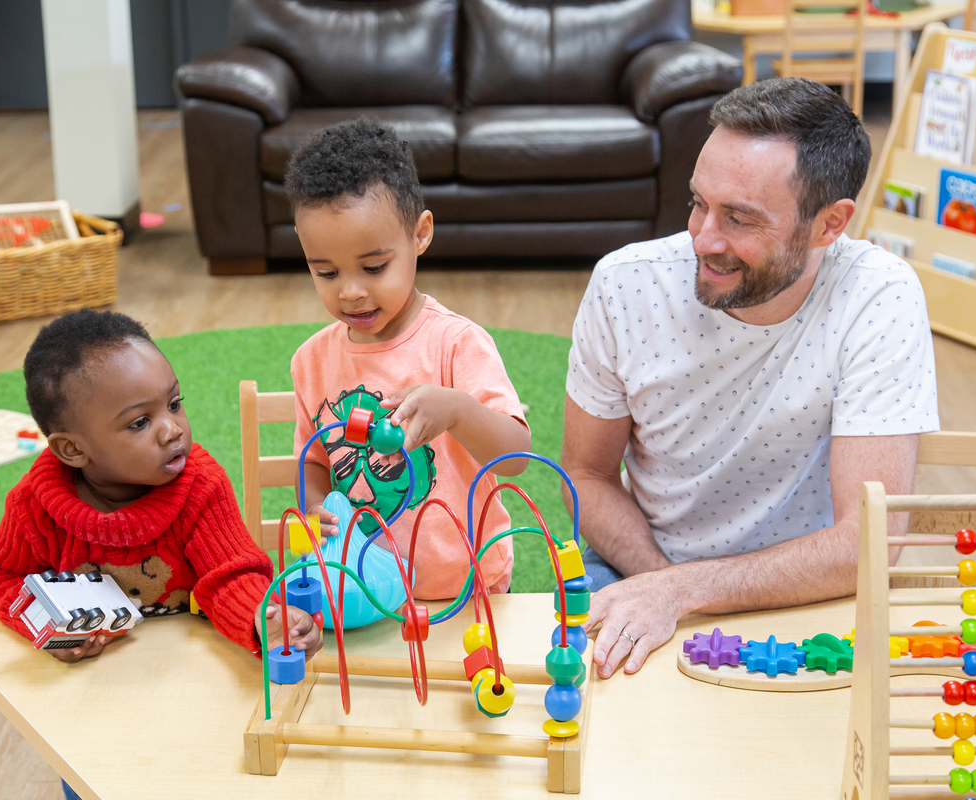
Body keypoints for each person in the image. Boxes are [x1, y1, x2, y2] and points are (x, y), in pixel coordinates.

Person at [562, 78, 940, 679]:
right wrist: (665, 586)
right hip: (643, 564)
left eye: (739, 219)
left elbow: (869, 542)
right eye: (698, 203)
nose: (703, 238)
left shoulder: (879, 297)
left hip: (809, 589)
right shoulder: (625, 285)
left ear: (830, 224)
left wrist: (686, 593)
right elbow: (586, 476)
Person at [0, 309, 321, 662]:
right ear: (73, 449)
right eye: (139, 422)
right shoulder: (33, 506)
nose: (173, 430)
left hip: (188, 664)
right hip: (95, 679)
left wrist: (263, 619)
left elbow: (231, 576)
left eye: (174, 404)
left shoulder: (201, 486)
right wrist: (52, 633)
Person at [285, 118, 531, 599]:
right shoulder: (311, 361)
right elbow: (313, 462)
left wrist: (458, 410)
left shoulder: (457, 344)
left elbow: (516, 457)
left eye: (374, 267)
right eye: (326, 272)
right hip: (363, 592)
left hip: (466, 590)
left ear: (420, 234)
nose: (351, 291)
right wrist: (315, 507)